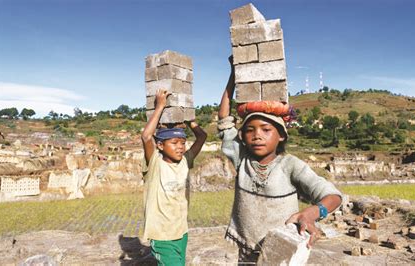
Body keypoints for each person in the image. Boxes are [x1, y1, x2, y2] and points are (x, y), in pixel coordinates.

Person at [218, 57, 342, 263]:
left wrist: (313, 212)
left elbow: (333, 196)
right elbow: (224, 120)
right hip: (244, 250)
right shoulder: (242, 159)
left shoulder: (290, 165)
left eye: (266, 130)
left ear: (281, 135)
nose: (257, 135)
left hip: (281, 252)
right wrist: (234, 76)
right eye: (250, 130)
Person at [141, 88, 207, 265]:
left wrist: (189, 119)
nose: (180, 147)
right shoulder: (155, 164)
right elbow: (147, 136)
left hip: (181, 232)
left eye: (183, 143)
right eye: (174, 143)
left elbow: (202, 136)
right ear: (161, 145)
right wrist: (160, 106)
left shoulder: (185, 161)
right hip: (162, 236)